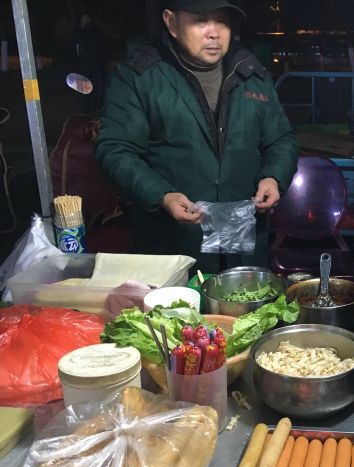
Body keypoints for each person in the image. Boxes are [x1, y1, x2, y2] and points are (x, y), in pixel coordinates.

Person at [95, 0, 298, 274]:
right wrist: (162, 195)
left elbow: (281, 139)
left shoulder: (249, 73)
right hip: (173, 241)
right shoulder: (140, 77)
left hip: (241, 240)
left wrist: (273, 176)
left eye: (222, 21)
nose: (214, 32)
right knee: (178, 311)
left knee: (240, 308)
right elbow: (115, 150)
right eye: (201, 21)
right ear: (171, 23)